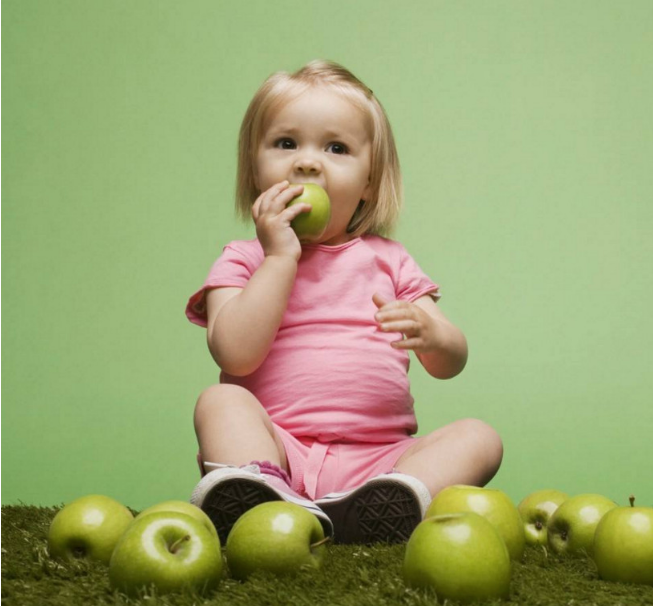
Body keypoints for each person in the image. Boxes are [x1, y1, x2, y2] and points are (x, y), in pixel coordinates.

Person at [185, 60, 502, 544]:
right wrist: (279, 258)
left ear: (370, 182)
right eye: (286, 143)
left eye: (336, 148)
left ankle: (395, 499)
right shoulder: (244, 260)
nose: (308, 162)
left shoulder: (390, 261)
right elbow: (234, 353)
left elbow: (450, 362)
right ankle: (261, 495)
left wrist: (432, 334)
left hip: (383, 459)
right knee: (220, 400)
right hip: (278, 451)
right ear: (254, 167)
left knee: (481, 438)